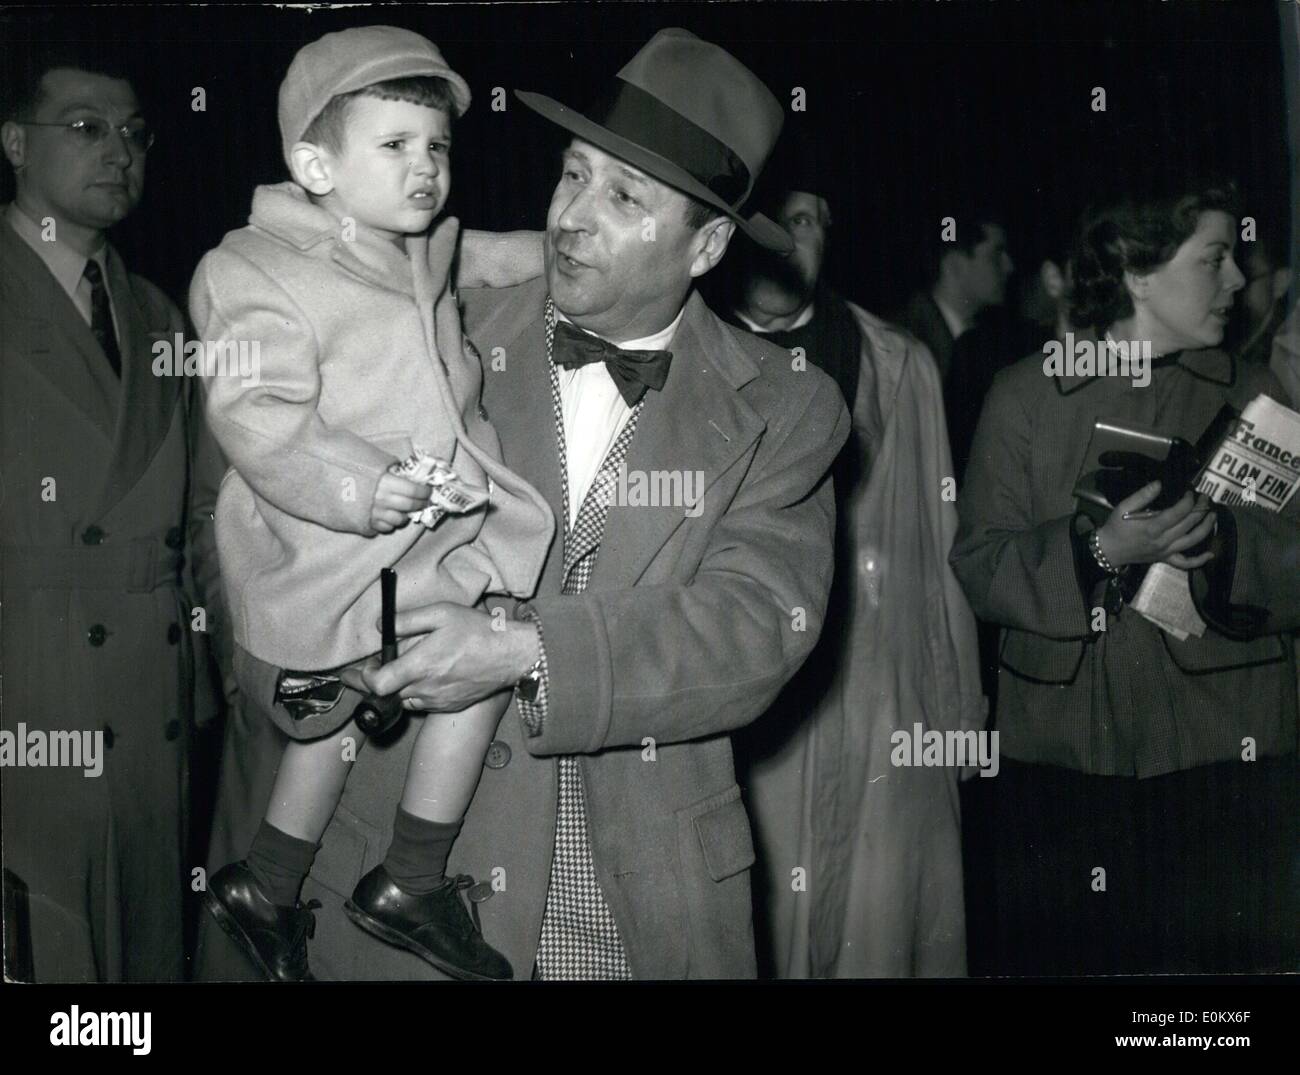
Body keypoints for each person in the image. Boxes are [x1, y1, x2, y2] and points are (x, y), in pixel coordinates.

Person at [213, 27, 848, 981]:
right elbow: (270, 516)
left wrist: (524, 651)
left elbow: (757, 626)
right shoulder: (426, 327)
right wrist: (321, 668)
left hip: (639, 903)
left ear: (709, 243)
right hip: (393, 910)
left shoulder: (788, 407)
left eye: (623, 196)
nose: (572, 215)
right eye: (573, 175)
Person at [190, 27, 555, 982]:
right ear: (315, 162)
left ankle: (267, 886)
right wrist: (360, 481)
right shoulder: (252, 268)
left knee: (344, 709)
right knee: (480, 651)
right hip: (331, 540)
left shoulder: (420, 244)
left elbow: (486, 254)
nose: (426, 168)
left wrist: (568, 249)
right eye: (393, 146)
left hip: (405, 541)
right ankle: (412, 875)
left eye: (437, 146)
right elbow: (258, 417)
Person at [950, 178, 1300, 974]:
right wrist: (1100, 550)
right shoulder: (1023, 395)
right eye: (1215, 258)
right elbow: (979, 560)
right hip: (1066, 762)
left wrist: (1223, 543)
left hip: (1223, 750)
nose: (1239, 279)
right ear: (1138, 273)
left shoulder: (1256, 393)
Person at [719, 157, 983, 976]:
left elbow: (941, 557)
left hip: (881, 701)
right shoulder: (691, 354)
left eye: (805, 220)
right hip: (748, 709)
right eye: (769, 219)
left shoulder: (898, 364)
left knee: (879, 930)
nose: (786, 240)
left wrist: (956, 715)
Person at [0, 44, 225, 982]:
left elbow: (206, 510)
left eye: (133, 133)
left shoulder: (161, 313)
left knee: (139, 953)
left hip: (152, 692)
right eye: (86, 129)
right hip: (28, 684)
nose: (119, 150)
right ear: (15, 143)